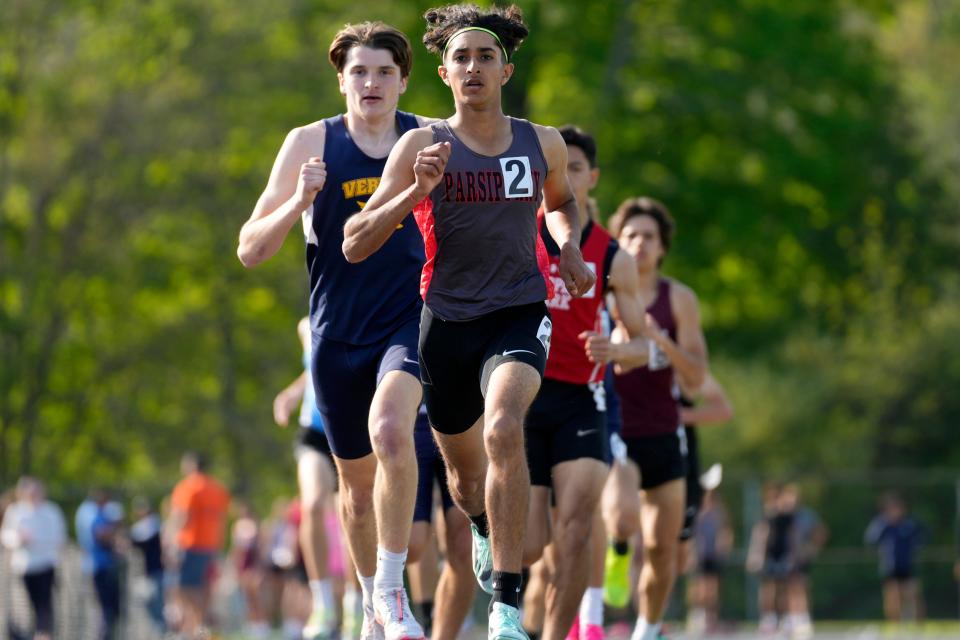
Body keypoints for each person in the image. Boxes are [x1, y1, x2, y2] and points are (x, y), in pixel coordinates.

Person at [341, 5, 595, 638]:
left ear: (506, 69)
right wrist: (412, 193)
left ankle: (507, 612)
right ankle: (484, 525)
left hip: (518, 309)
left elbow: (561, 203)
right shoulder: (423, 145)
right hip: (445, 322)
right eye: (461, 58)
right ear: (442, 72)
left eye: (486, 57)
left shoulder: (543, 143)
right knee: (463, 475)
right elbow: (354, 242)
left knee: (506, 427)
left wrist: (567, 248)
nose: (473, 67)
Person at [238, 21, 436, 640]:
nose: (371, 83)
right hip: (335, 334)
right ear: (341, 79)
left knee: (391, 431)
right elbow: (249, 249)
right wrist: (299, 202)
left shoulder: (429, 140)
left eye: (384, 72)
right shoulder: (310, 143)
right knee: (354, 488)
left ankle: (392, 591)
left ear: (404, 80)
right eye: (359, 72)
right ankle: (372, 608)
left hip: (409, 322)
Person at [522, 125, 648, 640]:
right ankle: (506, 570)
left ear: (591, 178)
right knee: (532, 546)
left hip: (582, 397)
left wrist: (616, 348)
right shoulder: (519, 233)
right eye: (557, 169)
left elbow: (642, 345)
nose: (566, 178)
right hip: (523, 395)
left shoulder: (614, 256)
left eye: (575, 169)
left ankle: (567, 632)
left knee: (576, 529)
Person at [604, 197, 709, 640]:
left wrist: (659, 342)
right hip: (616, 429)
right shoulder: (604, 294)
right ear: (618, 243)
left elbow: (696, 379)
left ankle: (646, 630)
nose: (639, 244)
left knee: (664, 549)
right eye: (630, 236)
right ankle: (617, 547)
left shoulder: (679, 299)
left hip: (666, 432)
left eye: (649, 236)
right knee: (625, 518)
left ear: (662, 246)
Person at [273, 316, 345, 639]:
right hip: (314, 430)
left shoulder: (367, 302)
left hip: (353, 430)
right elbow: (313, 366)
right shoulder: (305, 325)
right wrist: (291, 392)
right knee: (313, 503)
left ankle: (359, 604)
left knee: (352, 515)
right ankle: (322, 603)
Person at [406, 405, 476, 640]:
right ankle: (425, 618)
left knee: (462, 542)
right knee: (412, 543)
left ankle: (443, 633)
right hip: (410, 420)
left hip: (460, 415)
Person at [746, 483, 826, 639]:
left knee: (796, 586)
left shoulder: (801, 515)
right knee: (772, 588)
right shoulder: (771, 515)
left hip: (792, 557)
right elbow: (761, 535)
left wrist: (809, 549)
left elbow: (809, 534)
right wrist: (756, 555)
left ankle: (798, 619)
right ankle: (772, 620)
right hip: (774, 556)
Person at [167, 451, 231, 637]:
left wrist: (171, 541)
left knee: (183, 588)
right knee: (203, 588)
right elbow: (221, 519)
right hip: (211, 545)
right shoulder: (218, 488)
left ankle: (203, 623)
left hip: (190, 544)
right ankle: (198, 630)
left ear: (191, 465)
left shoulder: (188, 486)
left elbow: (182, 516)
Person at [0, 477, 66, 640]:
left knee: (44, 605)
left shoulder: (51, 511)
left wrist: (37, 541)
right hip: (24, 566)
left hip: (46, 564)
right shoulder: (16, 511)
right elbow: (6, 535)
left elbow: (59, 537)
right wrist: (18, 539)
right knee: (25, 606)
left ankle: (43, 634)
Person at [865, 493, 925, 622]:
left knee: (913, 593)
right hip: (890, 565)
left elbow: (921, 537)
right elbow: (871, 539)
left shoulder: (909, 524)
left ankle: (917, 622)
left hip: (907, 564)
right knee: (893, 595)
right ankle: (895, 623)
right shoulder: (882, 524)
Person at [130, 496, 167, 634]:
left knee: (158, 606)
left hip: (157, 571)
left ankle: (162, 633)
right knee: (149, 605)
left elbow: (141, 541)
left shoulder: (154, 525)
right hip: (147, 573)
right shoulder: (142, 527)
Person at [90, 491, 122, 640]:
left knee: (114, 610)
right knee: (106, 609)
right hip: (102, 568)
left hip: (109, 567)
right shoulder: (98, 518)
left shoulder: (104, 518)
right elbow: (102, 535)